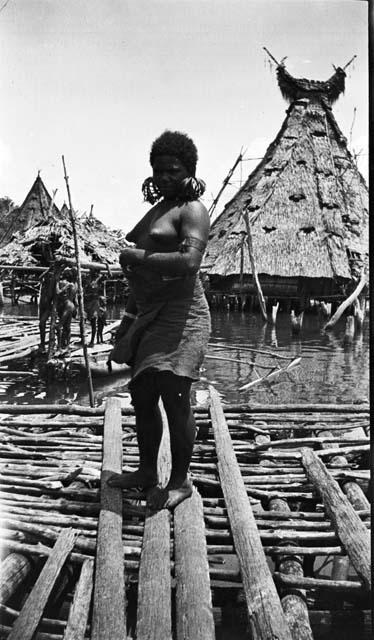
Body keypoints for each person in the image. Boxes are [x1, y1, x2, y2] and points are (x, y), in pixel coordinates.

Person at [108, 130, 210, 510]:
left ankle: (181, 481)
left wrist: (138, 258)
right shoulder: (155, 211)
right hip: (151, 313)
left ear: (189, 170)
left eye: (173, 170)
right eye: (159, 171)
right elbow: (142, 283)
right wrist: (128, 322)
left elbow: (189, 263)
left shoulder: (192, 210)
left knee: (175, 397)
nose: (165, 177)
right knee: (142, 395)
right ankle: (147, 471)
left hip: (184, 316)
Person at [56, 267, 78, 350]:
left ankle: (60, 345)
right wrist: (76, 309)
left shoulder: (66, 283)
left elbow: (58, 293)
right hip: (70, 306)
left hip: (67, 306)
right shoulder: (75, 284)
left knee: (60, 326)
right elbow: (75, 300)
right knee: (67, 327)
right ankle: (66, 345)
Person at [84, 271, 105, 347]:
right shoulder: (89, 281)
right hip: (88, 304)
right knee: (83, 321)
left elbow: (108, 275)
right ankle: (83, 339)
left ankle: (92, 341)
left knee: (93, 323)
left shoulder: (98, 281)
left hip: (94, 304)